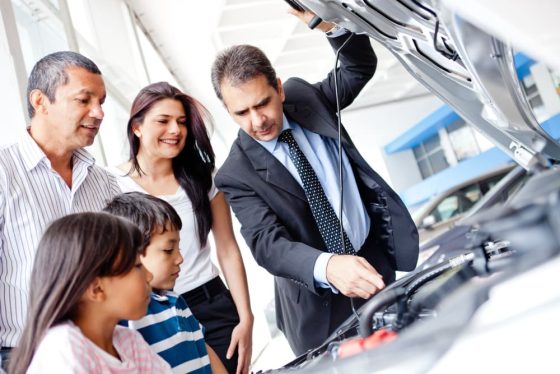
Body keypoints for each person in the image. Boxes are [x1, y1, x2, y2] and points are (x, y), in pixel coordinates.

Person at [210, 9, 419, 355]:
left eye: (263, 103)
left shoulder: (306, 98)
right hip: (317, 309)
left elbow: (357, 68)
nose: (258, 120)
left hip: (373, 266)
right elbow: (267, 244)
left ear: (279, 89)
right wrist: (328, 266)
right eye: (241, 112)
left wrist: (327, 23)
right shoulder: (235, 173)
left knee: (407, 356)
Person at [107, 82, 252, 373]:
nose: (175, 130)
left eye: (182, 122)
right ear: (136, 127)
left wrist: (246, 316)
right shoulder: (111, 183)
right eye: (163, 121)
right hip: (151, 313)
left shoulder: (201, 177)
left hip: (212, 304)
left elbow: (227, 249)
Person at [0, 51, 120, 368]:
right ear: (40, 102)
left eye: (102, 101)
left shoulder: (104, 183)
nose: (99, 113)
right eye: (84, 100)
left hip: (104, 348)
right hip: (29, 356)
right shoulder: (3, 174)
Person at [8, 212, 172, 373]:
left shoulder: (129, 343)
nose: (149, 275)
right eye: (137, 266)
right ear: (96, 289)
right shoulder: (63, 350)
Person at [105, 192, 227, 374]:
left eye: (178, 248)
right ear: (130, 254)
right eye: (168, 250)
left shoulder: (176, 301)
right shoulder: (126, 316)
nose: (180, 258)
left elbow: (203, 349)